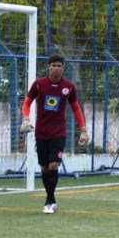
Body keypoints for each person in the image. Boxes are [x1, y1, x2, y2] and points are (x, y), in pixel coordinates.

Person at [20, 53, 90, 213]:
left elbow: (76, 108)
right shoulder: (39, 84)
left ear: (63, 68)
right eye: (53, 66)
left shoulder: (69, 86)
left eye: (59, 66)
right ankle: (50, 198)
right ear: (48, 67)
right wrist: (25, 118)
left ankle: (49, 201)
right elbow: (27, 102)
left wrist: (83, 130)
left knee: (53, 165)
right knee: (44, 168)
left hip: (59, 132)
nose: (56, 69)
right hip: (41, 132)